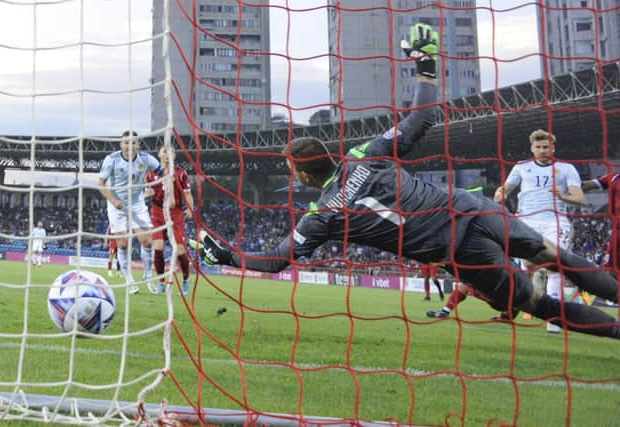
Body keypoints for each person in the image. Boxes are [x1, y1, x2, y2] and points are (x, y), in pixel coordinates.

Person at [192, 23, 620, 340]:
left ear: (302, 173)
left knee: (536, 303)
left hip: (457, 250)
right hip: (469, 210)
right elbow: (420, 119)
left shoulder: (321, 215)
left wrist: (225, 255)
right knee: (553, 254)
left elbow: (274, 261)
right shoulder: (365, 154)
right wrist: (425, 64)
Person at [493, 130, 585, 333]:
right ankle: (520, 305)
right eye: (539, 147)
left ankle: (553, 319)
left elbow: (579, 198)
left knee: (554, 266)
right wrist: (500, 195)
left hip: (556, 222)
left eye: (546, 147)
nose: (543, 150)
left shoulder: (566, 169)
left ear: (553, 148)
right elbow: (505, 188)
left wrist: (563, 195)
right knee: (527, 265)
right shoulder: (521, 167)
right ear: (532, 148)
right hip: (527, 221)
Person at [98, 130, 163, 294]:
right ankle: (130, 281)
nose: (130, 145)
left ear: (138, 144)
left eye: (133, 142)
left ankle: (148, 277)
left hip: (137, 204)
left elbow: (163, 173)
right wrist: (113, 200)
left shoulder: (146, 159)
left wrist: (154, 188)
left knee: (147, 241)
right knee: (122, 243)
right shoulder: (111, 160)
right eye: (126, 142)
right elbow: (100, 183)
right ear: (121, 144)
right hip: (116, 205)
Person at [145, 145, 194, 296]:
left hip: (176, 214)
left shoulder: (180, 173)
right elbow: (148, 191)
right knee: (158, 247)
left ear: (174, 156)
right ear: (159, 155)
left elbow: (188, 194)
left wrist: (190, 208)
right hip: (157, 212)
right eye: (164, 152)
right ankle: (161, 282)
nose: (167, 155)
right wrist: (147, 193)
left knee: (179, 250)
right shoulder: (151, 173)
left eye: (170, 152)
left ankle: (186, 279)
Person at [582, 173, 620, 272]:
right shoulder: (614, 177)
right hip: (618, 233)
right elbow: (587, 185)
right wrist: (569, 183)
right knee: (609, 269)